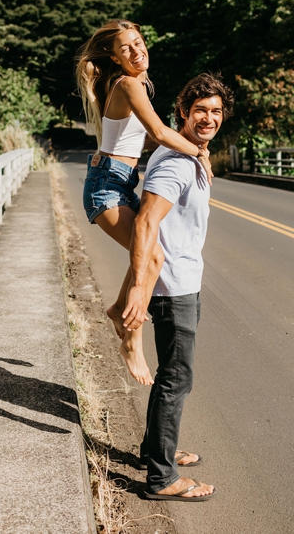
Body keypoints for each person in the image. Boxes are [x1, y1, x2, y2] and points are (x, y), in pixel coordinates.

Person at [74, 20, 212, 386]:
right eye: (127, 49)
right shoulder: (129, 83)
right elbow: (159, 133)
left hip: (117, 181)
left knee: (150, 250)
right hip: (106, 187)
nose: (137, 52)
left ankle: (119, 310)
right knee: (153, 256)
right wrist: (200, 152)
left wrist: (191, 149)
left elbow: (142, 141)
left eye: (139, 43)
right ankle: (130, 341)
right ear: (115, 58)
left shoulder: (135, 84)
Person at [113, 73, 230, 503]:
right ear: (182, 111)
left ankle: (152, 451)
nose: (209, 118)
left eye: (216, 111)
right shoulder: (178, 162)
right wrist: (138, 288)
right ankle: (161, 478)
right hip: (172, 288)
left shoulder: (188, 154)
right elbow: (145, 222)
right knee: (176, 380)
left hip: (181, 281)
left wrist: (202, 153)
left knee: (171, 376)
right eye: (200, 109)